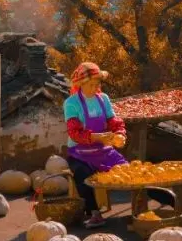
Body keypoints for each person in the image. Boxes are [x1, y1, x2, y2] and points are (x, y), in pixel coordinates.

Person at [63, 61, 173, 227]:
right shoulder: (71, 103)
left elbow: (114, 122)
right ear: (81, 84)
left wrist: (120, 134)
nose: (95, 88)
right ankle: (94, 213)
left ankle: (170, 199)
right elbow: (74, 133)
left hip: (104, 151)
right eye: (91, 85)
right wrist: (98, 137)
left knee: (132, 173)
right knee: (82, 174)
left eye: (97, 84)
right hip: (79, 153)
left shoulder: (103, 99)